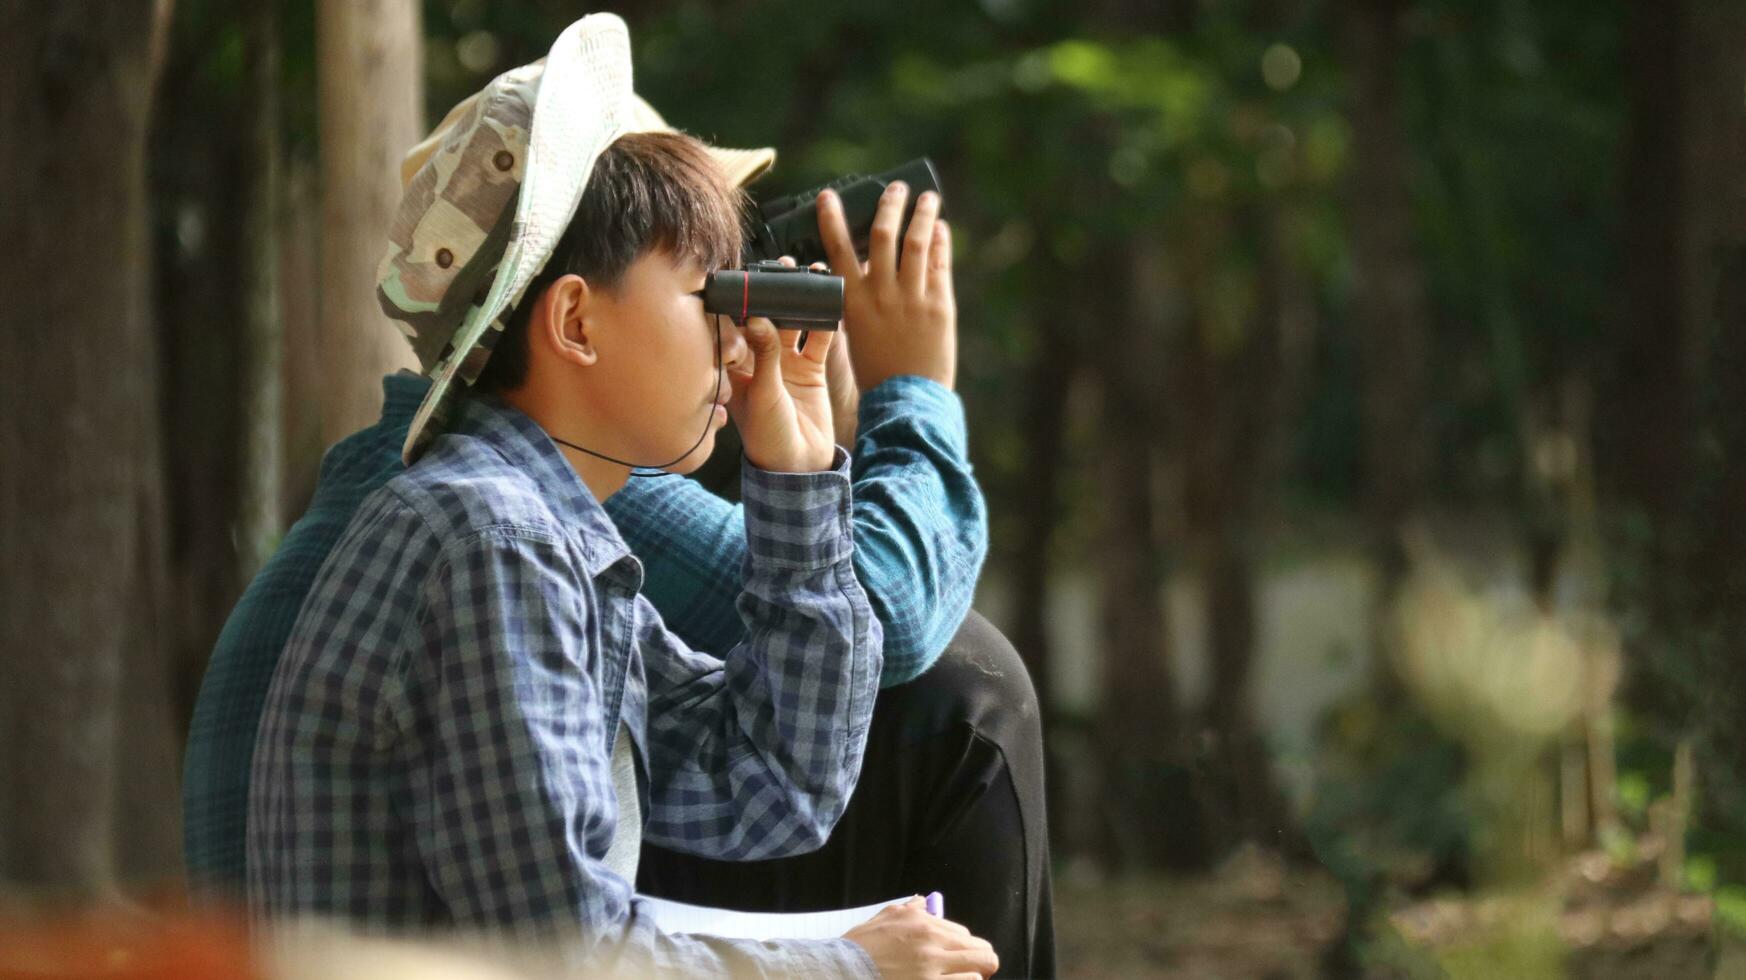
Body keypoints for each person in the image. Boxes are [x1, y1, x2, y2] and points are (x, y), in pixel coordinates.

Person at [186, 13, 1052, 977]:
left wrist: (800, 485)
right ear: (574, 323)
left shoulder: (545, 532)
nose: (740, 337)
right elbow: (569, 954)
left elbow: (770, 782)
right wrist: (852, 966)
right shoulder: (489, 538)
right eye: (706, 294)